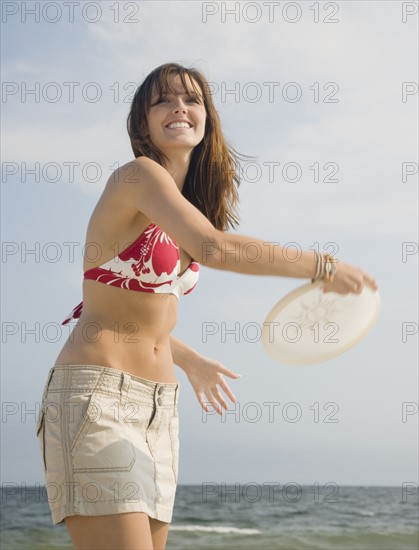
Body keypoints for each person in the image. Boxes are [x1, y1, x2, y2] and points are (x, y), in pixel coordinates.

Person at [35, 62, 378, 550]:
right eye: (163, 100)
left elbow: (128, 306)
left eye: (191, 99)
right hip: (98, 399)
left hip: (160, 410)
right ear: (142, 124)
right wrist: (320, 265)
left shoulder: (184, 202)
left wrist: (189, 359)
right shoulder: (138, 176)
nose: (179, 106)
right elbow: (216, 249)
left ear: (206, 118)